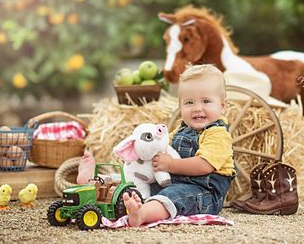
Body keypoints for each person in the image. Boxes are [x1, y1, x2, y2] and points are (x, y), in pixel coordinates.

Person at [77, 64, 235, 226]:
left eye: (206, 101)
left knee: (172, 197)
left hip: (202, 192)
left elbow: (205, 166)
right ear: (180, 106)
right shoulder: (182, 129)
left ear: (222, 106)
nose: (197, 108)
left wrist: (171, 164)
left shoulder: (218, 134)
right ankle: (94, 182)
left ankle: (142, 213)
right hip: (169, 181)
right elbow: (161, 147)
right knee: (132, 182)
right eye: (189, 103)